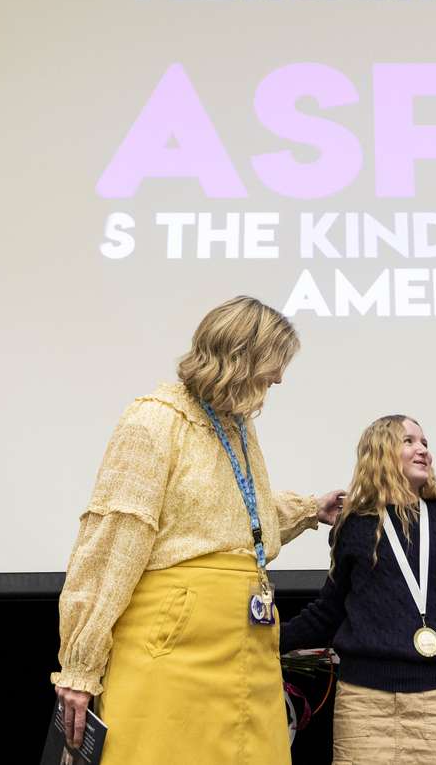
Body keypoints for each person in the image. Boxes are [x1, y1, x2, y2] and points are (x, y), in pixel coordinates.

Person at [50, 296, 345, 764]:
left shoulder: (238, 426)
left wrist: (310, 509)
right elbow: (113, 542)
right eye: (274, 363)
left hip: (247, 652)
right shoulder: (155, 419)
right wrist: (79, 667)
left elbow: (230, 518)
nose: (279, 379)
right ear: (241, 356)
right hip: (173, 650)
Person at [280, 415, 436, 763]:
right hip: (362, 703)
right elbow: (328, 612)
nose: (422, 450)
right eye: (409, 441)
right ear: (381, 453)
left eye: (425, 443)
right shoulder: (355, 524)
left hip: (435, 703)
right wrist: (268, 640)